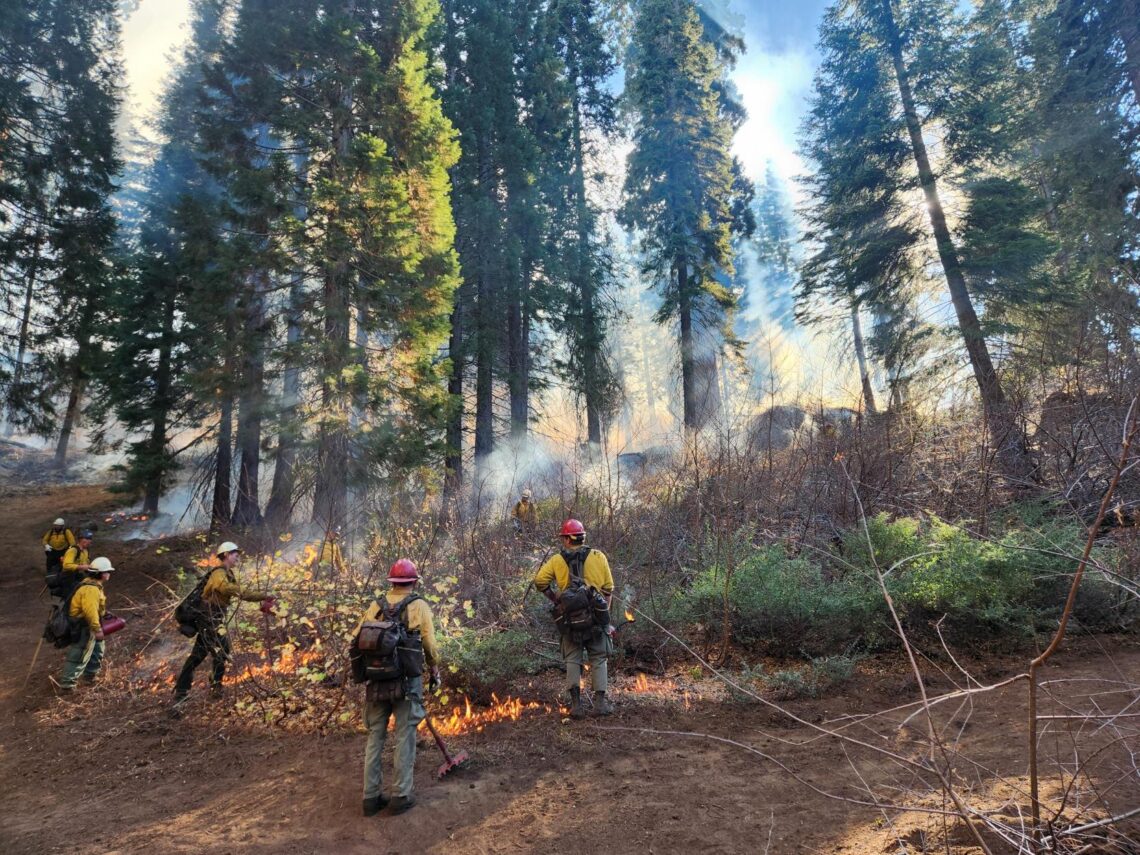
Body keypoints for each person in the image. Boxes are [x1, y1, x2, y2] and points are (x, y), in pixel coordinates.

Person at [355, 558, 440, 817]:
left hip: (376, 680)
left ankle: (370, 798)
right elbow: (429, 644)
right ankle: (401, 795)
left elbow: (357, 639)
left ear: (391, 582)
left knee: (375, 737)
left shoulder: (375, 606)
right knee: (405, 735)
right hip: (406, 682)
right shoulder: (419, 606)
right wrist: (435, 668)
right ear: (413, 582)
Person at [171, 541, 271, 716]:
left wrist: (257, 595)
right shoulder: (219, 573)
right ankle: (214, 687)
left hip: (211, 620)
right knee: (222, 652)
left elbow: (231, 591)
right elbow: (226, 588)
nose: (237, 556)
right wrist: (259, 595)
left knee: (198, 656)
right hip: (209, 620)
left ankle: (182, 691)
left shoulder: (226, 573)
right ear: (225, 555)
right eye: (234, 553)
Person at [533, 518, 616, 719]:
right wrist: (605, 618)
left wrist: (556, 600)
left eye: (563, 538)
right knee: (598, 659)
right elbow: (608, 590)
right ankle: (600, 704)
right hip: (596, 619)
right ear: (582, 537)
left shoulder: (556, 560)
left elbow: (539, 582)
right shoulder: (599, 557)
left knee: (572, 659)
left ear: (568, 540)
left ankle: (576, 706)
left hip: (569, 621)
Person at [58, 556, 114, 691]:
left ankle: (90, 676)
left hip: (88, 623)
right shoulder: (91, 589)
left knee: (97, 649)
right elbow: (89, 611)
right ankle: (67, 685)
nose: (109, 574)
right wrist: (97, 629)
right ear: (100, 573)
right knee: (79, 654)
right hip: (84, 625)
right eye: (107, 571)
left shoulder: (93, 585)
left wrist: (103, 613)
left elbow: (95, 606)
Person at [59, 530, 94, 599]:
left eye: (90, 539)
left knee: (90, 587)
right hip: (67, 576)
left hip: (77, 575)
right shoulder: (73, 550)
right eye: (86, 539)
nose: (89, 541)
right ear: (80, 539)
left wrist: (91, 568)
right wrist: (82, 567)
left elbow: (85, 564)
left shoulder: (85, 551)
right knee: (71, 597)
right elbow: (66, 565)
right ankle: (64, 608)